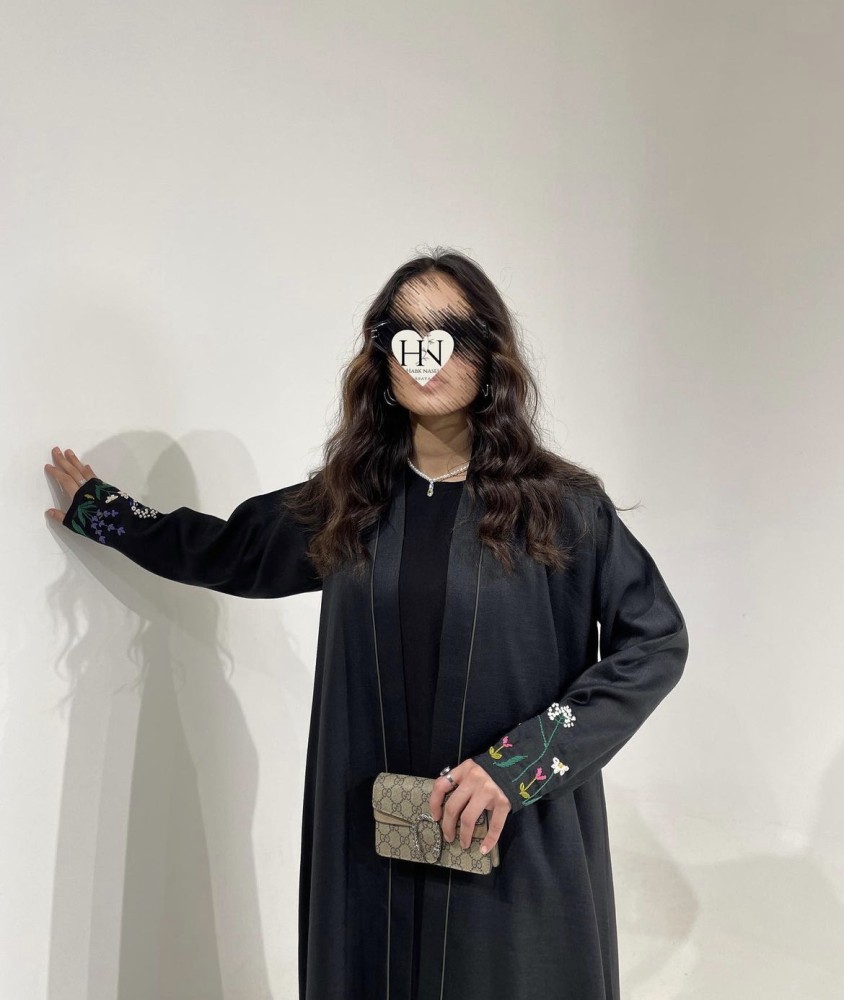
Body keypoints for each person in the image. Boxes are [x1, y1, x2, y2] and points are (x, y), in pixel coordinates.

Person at [45, 249, 689, 1000]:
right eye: (404, 334)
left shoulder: (561, 508)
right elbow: (230, 552)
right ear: (382, 357)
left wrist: (519, 766)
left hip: (508, 844)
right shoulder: (352, 502)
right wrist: (104, 513)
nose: (426, 355)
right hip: (373, 849)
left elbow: (655, 641)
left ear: (488, 353)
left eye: (449, 334)